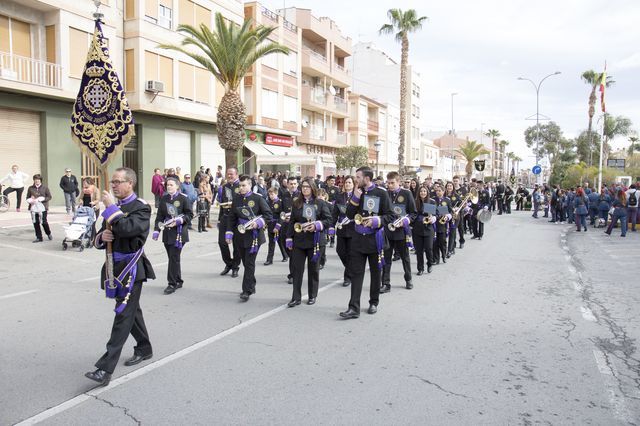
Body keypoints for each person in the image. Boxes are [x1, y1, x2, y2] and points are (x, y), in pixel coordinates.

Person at [85, 167, 155, 386]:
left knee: (123, 313)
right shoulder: (114, 207)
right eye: (113, 182)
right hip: (113, 268)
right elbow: (97, 236)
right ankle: (144, 347)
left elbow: (128, 228)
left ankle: (105, 369)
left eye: (117, 181)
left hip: (131, 268)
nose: (113, 185)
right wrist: (102, 237)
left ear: (130, 183)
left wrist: (110, 208)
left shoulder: (140, 207)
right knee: (131, 312)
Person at [339, 167, 393, 319]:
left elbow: (390, 215)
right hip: (358, 240)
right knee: (356, 273)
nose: (355, 180)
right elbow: (349, 215)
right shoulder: (357, 193)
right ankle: (353, 307)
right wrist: (355, 198)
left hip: (375, 239)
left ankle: (373, 302)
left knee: (376, 273)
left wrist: (378, 220)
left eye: (358, 177)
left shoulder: (381, 193)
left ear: (367, 178)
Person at [284, 178, 332, 307]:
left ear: (313, 188)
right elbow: (292, 222)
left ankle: (312, 295)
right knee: (297, 270)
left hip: (315, 241)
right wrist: (289, 238)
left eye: (307, 187)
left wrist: (317, 225)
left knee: (313, 270)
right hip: (299, 241)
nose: (305, 189)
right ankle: (296, 297)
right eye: (303, 186)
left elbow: (328, 220)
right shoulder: (296, 203)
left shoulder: (320, 203)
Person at [226, 175, 272, 301]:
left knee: (250, 263)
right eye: (240, 186)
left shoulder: (258, 198)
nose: (241, 188)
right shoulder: (236, 199)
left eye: (243, 185)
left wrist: (258, 223)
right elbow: (232, 217)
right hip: (240, 235)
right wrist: (229, 232)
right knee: (246, 263)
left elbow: (268, 215)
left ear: (250, 185)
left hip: (254, 236)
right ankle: (251, 284)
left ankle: (246, 291)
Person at [153, 177, 193, 295]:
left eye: (171, 185)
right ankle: (178, 280)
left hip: (179, 233)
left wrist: (181, 220)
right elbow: (159, 216)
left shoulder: (183, 198)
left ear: (177, 186)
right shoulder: (164, 199)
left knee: (173, 257)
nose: (168, 187)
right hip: (167, 232)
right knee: (173, 258)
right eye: (167, 185)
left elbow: (190, 214)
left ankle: (171, 283)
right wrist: (156, 230)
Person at [381, 171, 416, 292]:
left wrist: (405, 221)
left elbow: (413, 213)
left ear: (398, 182)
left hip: (401, 231)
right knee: (386, 258)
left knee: (405, 257)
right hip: (387, 231)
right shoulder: (385, 194)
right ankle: (385, 283)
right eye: (388, 183)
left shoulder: (407, 193)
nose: (389, 185)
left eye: (392, 183)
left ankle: (408, 279)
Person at [217, 167, 241, 277]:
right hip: (225, 217)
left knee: (236, 244)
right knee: (222, 242)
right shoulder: (225, 186)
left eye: (232, 174)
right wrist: (219, 218)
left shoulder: (241, 186)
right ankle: (229, 263)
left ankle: (235, 266)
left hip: (236, 219)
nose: (229, 176)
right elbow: (222, 203)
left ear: (237, 174)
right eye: (228, 174)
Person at [332, 175, 355, 287]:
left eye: (350, 182)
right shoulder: (340, 197)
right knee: (340, 251)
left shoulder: (357, 197)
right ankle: (352, 269)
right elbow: (335, 213)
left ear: (354, 184)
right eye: (346, 182)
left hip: (353, 228)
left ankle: (348, 277)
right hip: (341, 228)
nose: (347, 184)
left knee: (351, 253)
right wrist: (331, 226)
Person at [413, 186, 436, 275]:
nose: (423, 193)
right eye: (421, 191)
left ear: (427, 192)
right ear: (419, 193)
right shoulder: (415, 202)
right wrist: (420, 219)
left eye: (424, 191)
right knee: (419, 250)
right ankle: (420, 268)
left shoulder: (432, 201)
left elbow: (436, 214)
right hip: (417, 229)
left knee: (429, 248)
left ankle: (430, 264)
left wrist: (433, 218)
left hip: (429, 229)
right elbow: (413, 214)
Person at [264, 187, 288, 265]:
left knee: (280, 242)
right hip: (270, 224)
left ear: (276, 194)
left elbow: (282, 215)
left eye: (272, 194)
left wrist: (278, 226)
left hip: (278, 225)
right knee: (271, 243)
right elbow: (266, 213)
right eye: (270, 194)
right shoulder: (268, 202)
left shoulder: (280, 202)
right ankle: (269, 259)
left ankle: (285, 255)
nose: (271, 196)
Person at [26, 174, 52, 243]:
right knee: (35, 222)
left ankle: (48, 233)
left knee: (44, 222)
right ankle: (39, 237)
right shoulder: (30, 188)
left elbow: (49, 197)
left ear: (40, 180)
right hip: (33, 208)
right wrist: (30, 199)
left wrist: (42, 199)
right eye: (35, 179)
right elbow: (27, 197)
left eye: (38, 179)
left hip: (43, 208)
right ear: (34, 180)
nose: (37, 181)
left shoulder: (45, 188)